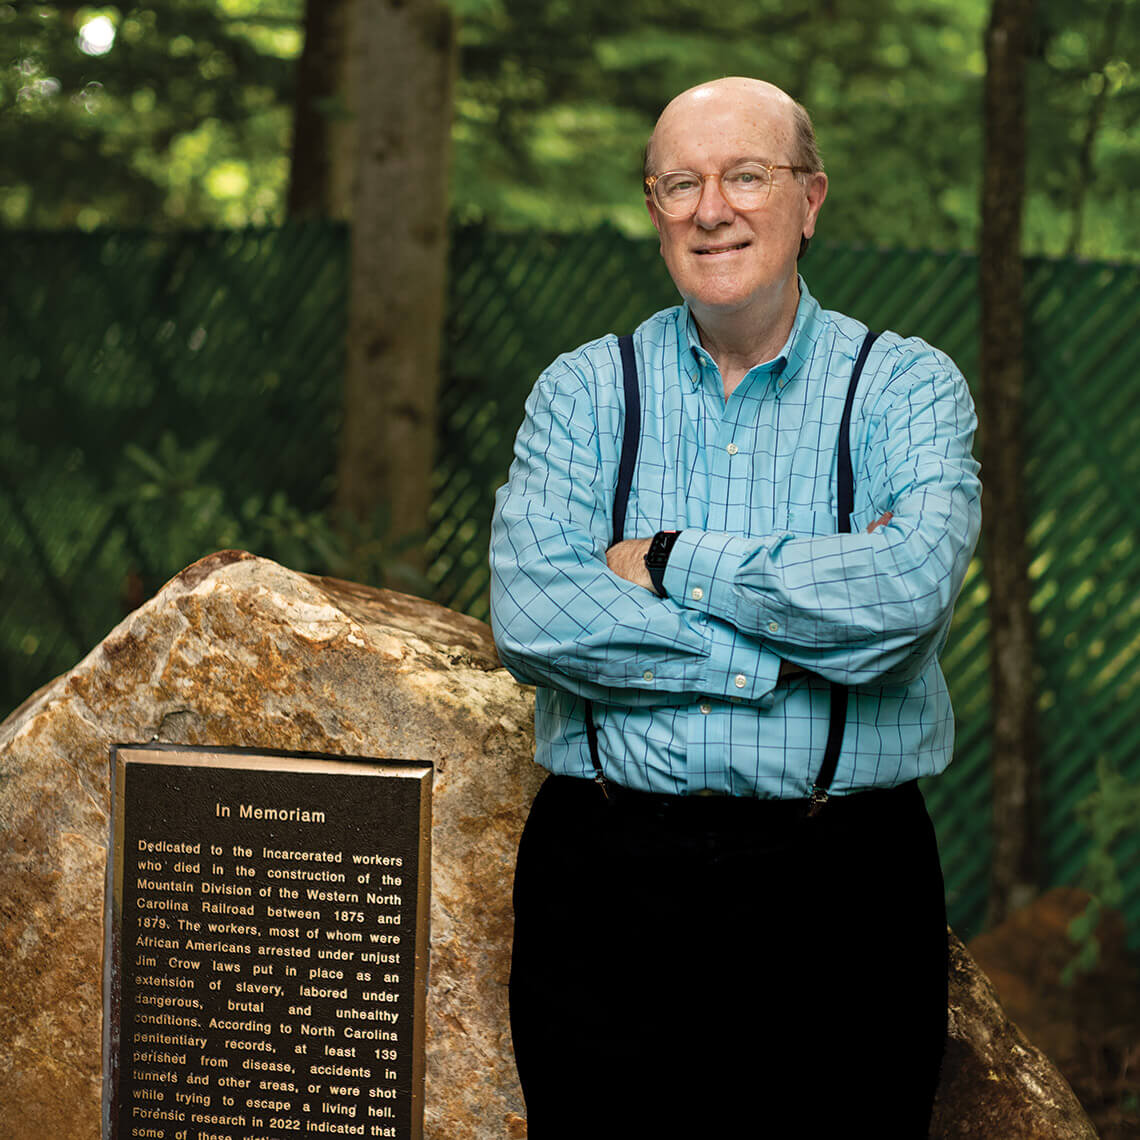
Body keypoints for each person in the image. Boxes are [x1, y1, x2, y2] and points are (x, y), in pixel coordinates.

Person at [489, 76, 981, 1139]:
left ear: (810, 199)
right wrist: (793, 653)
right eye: (680, 184)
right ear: (654, 208)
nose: (711, 209)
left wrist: (670, 560)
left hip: (843, 888)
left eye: (747, 176)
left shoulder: (904, 388)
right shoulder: (584, 392)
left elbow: (902, 599)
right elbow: (535, 614)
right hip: (604, 888)